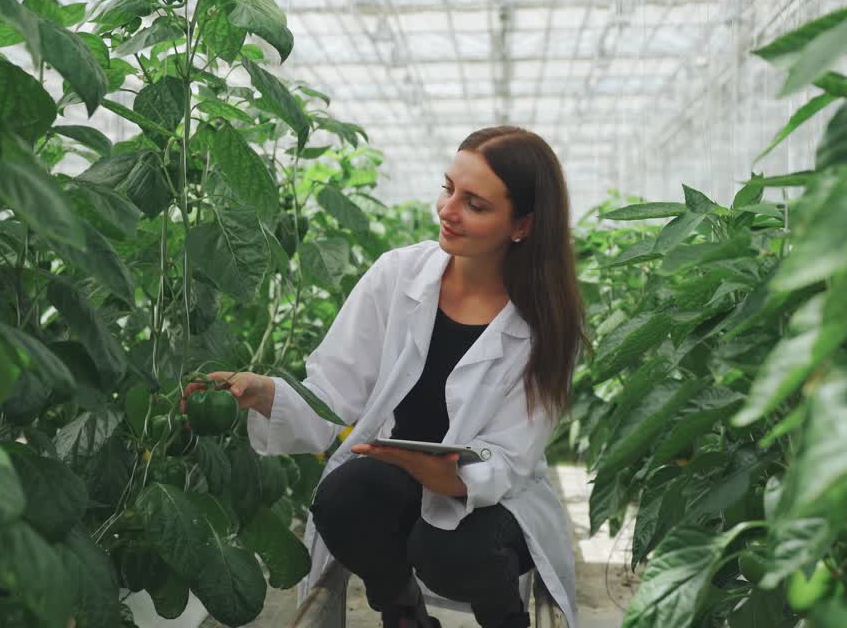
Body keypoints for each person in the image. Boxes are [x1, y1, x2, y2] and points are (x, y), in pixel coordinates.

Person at [183, 126, 587, 628]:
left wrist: (453, 476)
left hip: (494, 497)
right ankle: (403, 615)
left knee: (453, 547)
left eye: (475, 204)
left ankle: (505, 619)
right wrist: (265, 392)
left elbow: (511, 454)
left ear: (522, 224)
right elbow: (334, 389)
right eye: (448, 188)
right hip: (397, 474)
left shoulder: (546, 323)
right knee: (343, 498)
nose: (448, 210)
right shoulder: (398, 276)